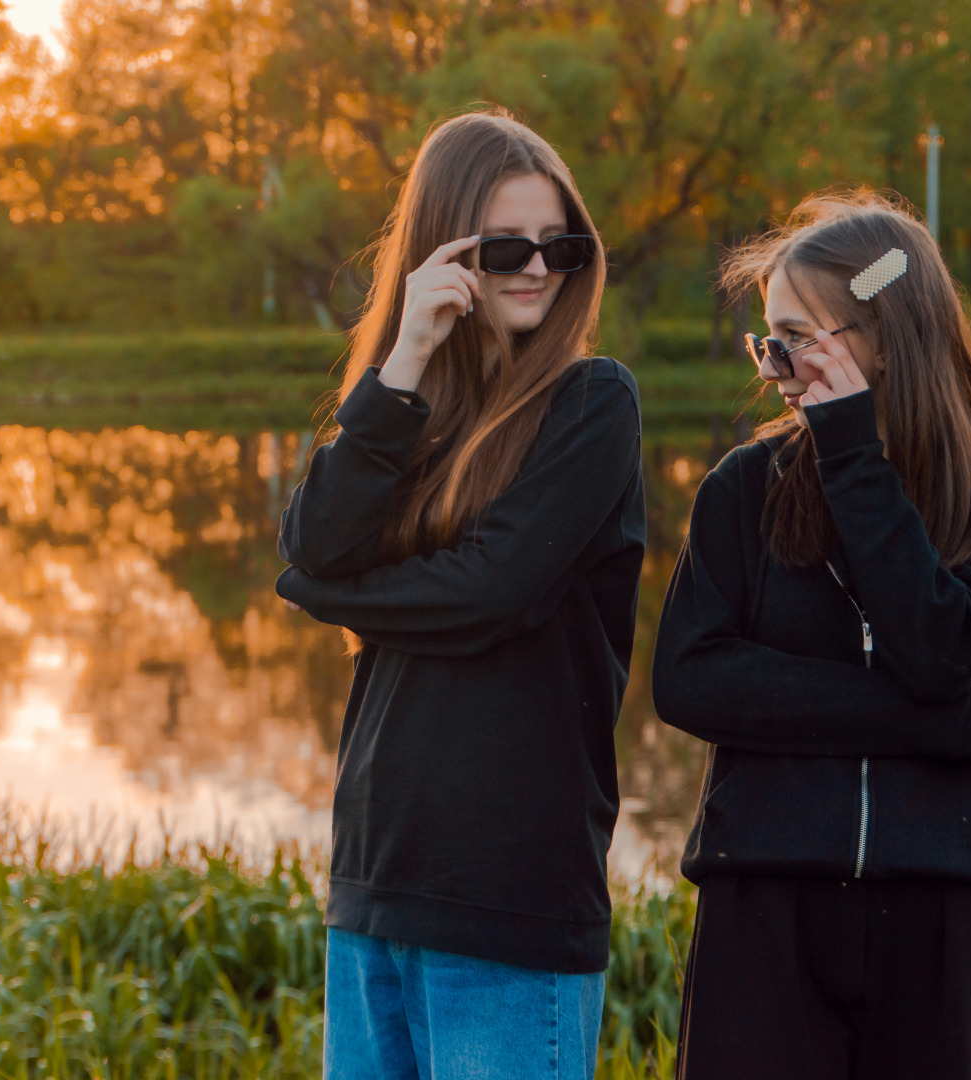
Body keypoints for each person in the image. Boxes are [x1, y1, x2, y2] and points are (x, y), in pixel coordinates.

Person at [652, 191, 971, 1080]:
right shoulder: (743, 488)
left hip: (937, 914)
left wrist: (852, 458)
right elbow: (689, 681)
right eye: (770, 341)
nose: (778, 367)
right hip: (761, 903)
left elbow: (943, 651)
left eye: (797, 338)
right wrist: (941, 725)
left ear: (883, 330)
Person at [274, 109, 645, 1080]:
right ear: (442, 252)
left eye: (559, 245)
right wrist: (402, 359)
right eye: (505, 246)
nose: (536, 268)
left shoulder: (590, 402)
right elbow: (312, 540)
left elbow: (493, 592)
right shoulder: (410, 413)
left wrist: (333, 596)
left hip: (510, 899)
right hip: (374, 887)